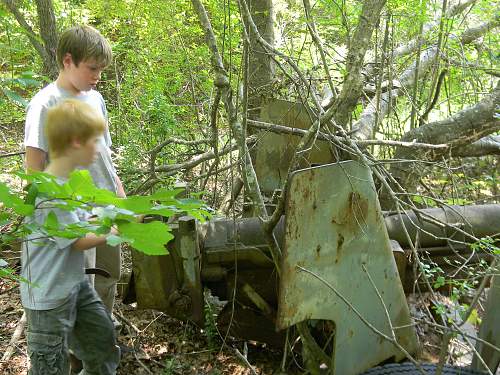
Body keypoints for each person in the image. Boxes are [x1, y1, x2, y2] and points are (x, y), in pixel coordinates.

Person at [24, 25, 124, 316]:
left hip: (107, 204)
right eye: (92, 68)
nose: (98, 77)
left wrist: (119, 193)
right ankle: (75, 355)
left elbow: (104, 153)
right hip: (76, 213)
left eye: (102, 69)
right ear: (68, 61)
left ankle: (101, 339)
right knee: (82, 285)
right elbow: (34, 170)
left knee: (108, 275)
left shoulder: (95, 99)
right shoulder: (45, 104)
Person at [21, 99, 120, 374]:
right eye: (94, 142)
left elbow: (80, 223)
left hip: (74, 287)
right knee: (50, 367)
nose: (99, 150)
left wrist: (110, 214)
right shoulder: (50, 190)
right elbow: (76, 240)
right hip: (49, 301)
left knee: (103, 345)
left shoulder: (71, 183)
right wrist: (114, 229)